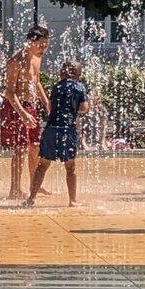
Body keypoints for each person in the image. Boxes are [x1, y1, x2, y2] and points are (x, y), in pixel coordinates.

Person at [26, 60, 89, 208]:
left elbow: (52, 107)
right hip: (68, 130)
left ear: (63, 73)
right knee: (70, 167)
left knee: (42, 165)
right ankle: (72, 200)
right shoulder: (79, 87)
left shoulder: (56, 87)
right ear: (78, 75)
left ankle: (32, 198)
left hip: (51, 129)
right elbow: (84, 108)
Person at [1, 25, 51, 198]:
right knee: (21, 148)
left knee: (35, 147)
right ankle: (14, 188)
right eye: (41, 45)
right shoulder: (15, 61)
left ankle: (34, 185)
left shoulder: (37, 58)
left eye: (46, 45)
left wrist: (47, 104)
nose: (43, 49)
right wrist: (23, 113)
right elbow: (9, 92)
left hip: (30, 107)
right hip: (16, 107)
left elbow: (36, 83)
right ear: (31, 42)